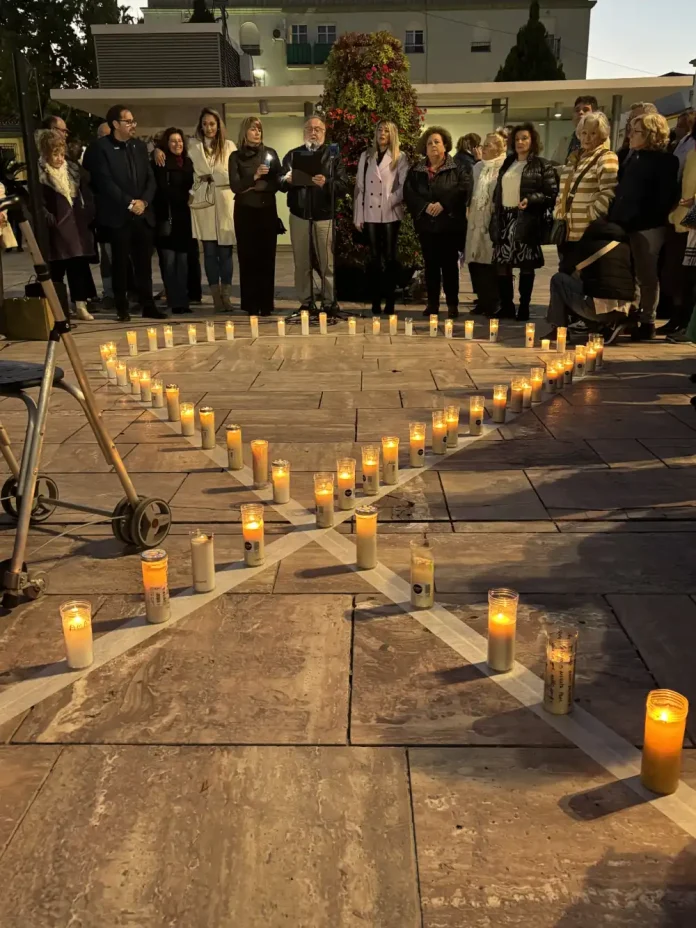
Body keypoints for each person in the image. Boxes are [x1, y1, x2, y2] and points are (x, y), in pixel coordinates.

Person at [87, 104, 163, 322]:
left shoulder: (139, 146)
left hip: (142, 214)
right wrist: (130, 203)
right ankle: (122, 307)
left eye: (133, 121)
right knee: (120, 264)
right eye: (128, 121)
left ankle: (148, 304)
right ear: (115, 124)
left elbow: (150, 178)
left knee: (144, 265)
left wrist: (144, 202)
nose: (133, 125)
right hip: (118, 217)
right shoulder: (100, 149)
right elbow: (104, 182)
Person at [610, 112, 679, 340]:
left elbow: (662, 199)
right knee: (630, 274)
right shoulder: (632, 156)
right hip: (626, 225)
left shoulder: (665, 161)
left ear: (651, 134)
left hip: (647, 227)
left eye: (636, 131)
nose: (631, 135)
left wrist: (637, 219)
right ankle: (633, 316)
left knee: (647, 275)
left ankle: (648, 321)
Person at [280, 115, 349, 313]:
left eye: (318, 129)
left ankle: (329, 302)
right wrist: (288, 180)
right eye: (310, 128)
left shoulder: (333, 157)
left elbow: (343, 185)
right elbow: (280, 181)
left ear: (324, 133)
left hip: (324, 215)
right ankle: (305, 301)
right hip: (300, 214)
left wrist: (326, 183)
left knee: (328, 263)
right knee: (302, 262)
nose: (313, 132)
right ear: (304, 132)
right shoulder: (292, 155)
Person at [490, 123, 559, 321]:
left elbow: (551, 194)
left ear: (532, 141)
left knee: (525, 264)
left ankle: (525, 306)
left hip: (526, 219)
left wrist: (532, 199)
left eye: (525, 138)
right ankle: (507, 305)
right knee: (503, 263)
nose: (520, 142)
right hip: (505, 218)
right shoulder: (508, 162)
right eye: (517, 139)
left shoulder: (542, 165)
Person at [404, 125, 471, 319]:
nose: (433, 146)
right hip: (427, 225)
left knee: (449, 266)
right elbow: (409, 192)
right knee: (430, 266)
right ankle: (432, 304)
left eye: (437, 142)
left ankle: (452, 304)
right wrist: (425, 206)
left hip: (449, 224)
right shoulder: (417, 169)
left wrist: (443, 204)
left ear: (445, 145)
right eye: (429, 143)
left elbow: (463, 189)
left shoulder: (457, 167)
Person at [546, 218, 636, 345]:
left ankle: (559, 330)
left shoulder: (588, 246)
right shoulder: (625, 246)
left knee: (558, 280)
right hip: (624, 309)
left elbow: (566, 269)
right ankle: (609, 323)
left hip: (597, 309)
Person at [38, 131, 97, 321]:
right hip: (56, 226)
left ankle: (81, 304)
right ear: (46, 154)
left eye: (61, 154)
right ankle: (58, 306)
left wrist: (87, 211)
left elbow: (86, 189)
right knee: (57, 267)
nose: (59, 158)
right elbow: (37, 202)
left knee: (78, 265)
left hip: (75, 223)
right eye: (55, 154)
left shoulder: (71, 169)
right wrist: (47, 216)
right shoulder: (39, 174)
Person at [353, 120, 409, 315]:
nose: (382, 133)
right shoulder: (366, 156)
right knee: (374, 258)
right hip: (370, 213)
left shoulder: (399, 157)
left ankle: (390, 300)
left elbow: (404, 185)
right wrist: (358, 216)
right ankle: (375, 300)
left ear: (392, 134)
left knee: (390, 258)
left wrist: (391, 200)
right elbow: (360, 187)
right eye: (379, 129)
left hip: (390, 213)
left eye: (386, 130)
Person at [228, 117, 282, 316]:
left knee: (267, 258)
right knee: (248, 257)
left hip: (267, 210)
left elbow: (279, 180)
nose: (257, 133)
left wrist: (261, 185)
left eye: (259, 129)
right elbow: (236, 186)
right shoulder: (236, 157)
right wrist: (255, 178)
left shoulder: (270, 153)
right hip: (245, 212)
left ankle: (266, 304)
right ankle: (250, 304)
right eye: (253, 129)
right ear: (245, 132)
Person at [553, 112, 618, 271]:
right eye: (584, 133)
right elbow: (563, 191)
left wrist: (591, 217)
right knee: (566, 274)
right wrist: (558, 212)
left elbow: (608, 192)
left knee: (582, 277)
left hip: (586, 232)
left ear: (602, 135)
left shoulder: (606, 157)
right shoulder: (574, 158)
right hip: (566, 230)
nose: (587, 138)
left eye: (593, 133)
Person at [186, 108, 236, 312]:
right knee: (209, 251)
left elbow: (232, 173)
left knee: (226, 252)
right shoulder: (193, 147)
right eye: (205, 124)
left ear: (218, 125)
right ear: (200, 126)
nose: (209, 128)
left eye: (212, 124)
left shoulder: (229, 146)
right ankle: (215, 296)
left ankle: (227, 295)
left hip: (225, 201)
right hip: (204, 202)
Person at [152, 127, 195, 315]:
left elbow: (191, 185)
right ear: (166, 144)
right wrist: (155, 150)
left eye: (180, 141)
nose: (177, 144)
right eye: (173, 141)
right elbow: (160, 189)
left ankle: (183, 301)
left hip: (183, 217)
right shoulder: (160, 161)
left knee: (183, 262)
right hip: (166, 217)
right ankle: (173, 299)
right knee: (169, 262)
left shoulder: (187, 162)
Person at [464, 131, 507, 317]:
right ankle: (481, 300)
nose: (483, 148)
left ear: (499, 149)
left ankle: (494, 302)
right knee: (475, 260)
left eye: (488, 145)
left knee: (490, 261)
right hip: (475, 218)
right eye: (484, 144)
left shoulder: (503, 167)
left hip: (492, 219)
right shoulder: (478, 167)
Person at [551, 96, 598, 166]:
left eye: (585, 110)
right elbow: (553, 167)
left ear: (595, 115)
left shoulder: (601, 141)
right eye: (577, 110)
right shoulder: (563, 143)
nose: (580, 112)